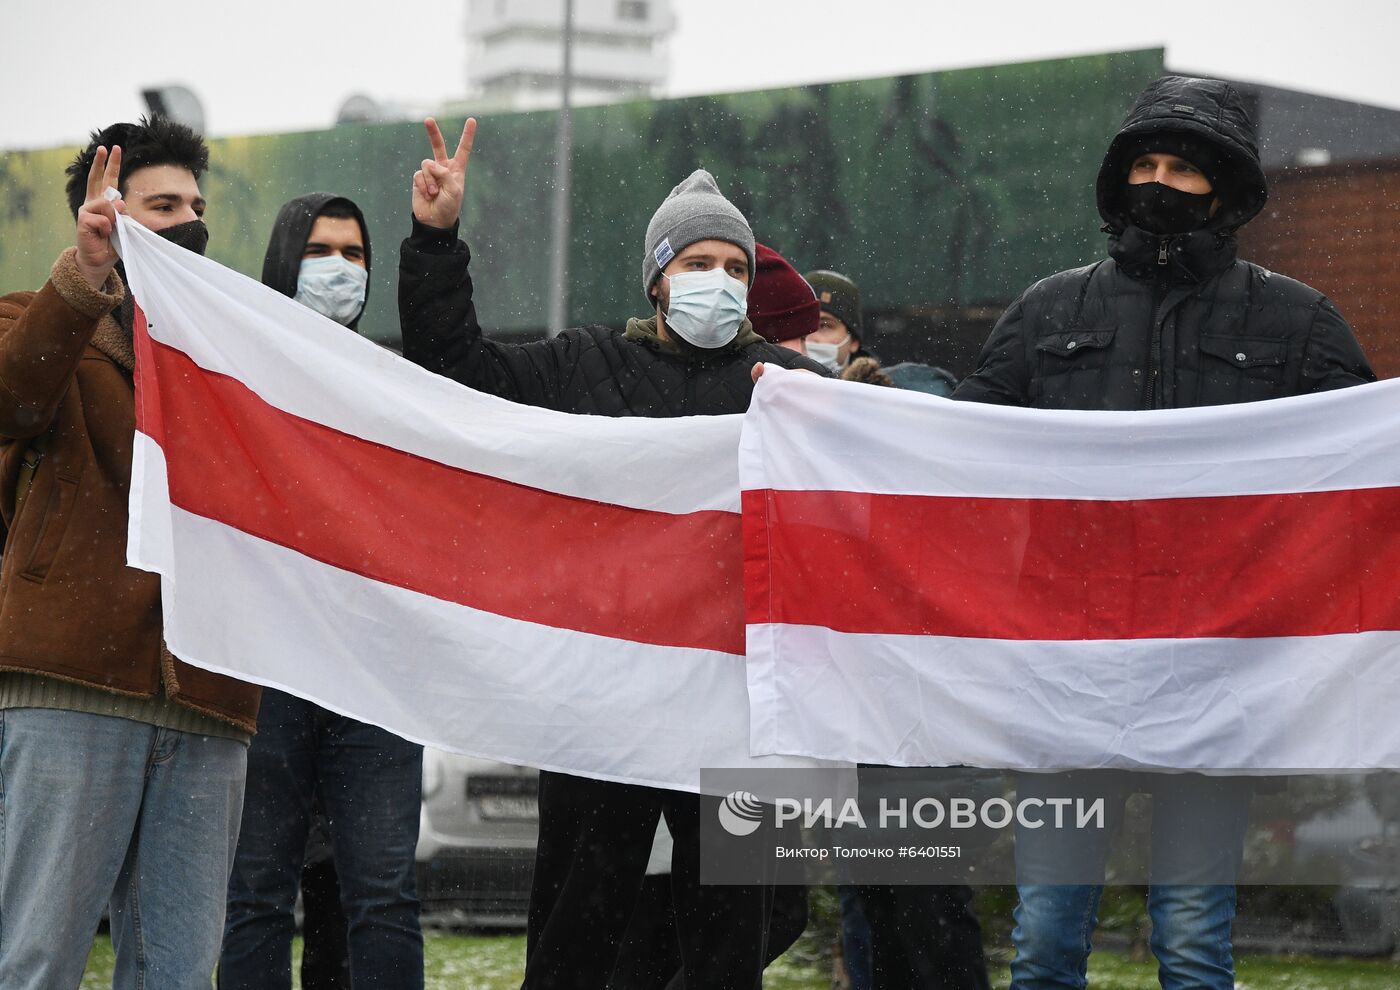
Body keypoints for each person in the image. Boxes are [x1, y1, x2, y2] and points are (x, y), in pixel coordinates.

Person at [954, 74, 1375, 990]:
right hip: (1066, 668)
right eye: (1144, 162)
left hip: (1214, 672)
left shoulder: (1299, 322)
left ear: (1224, 189)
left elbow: (1362, 480)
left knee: (1192, 946)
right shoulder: (1047, 310)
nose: (1159, 181)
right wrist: (824, 408)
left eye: (1182, 167)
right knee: (1045, 947)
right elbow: (958, 452)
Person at [398, 117, 825, 990]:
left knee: (733, 943)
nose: (720, 282)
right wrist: (437, 244)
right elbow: (459, 375)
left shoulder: (791, 388)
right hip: (605, 704)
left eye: (736, 268)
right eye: (698, 264)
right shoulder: (583, 363)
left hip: (735, 714)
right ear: (658, 278)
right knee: (573, 939)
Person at [0, 116, 260, 988]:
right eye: (162, 204)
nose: (188, 221)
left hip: (207, 701)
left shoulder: (233, 354)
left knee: (178, 974)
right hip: (72, 687)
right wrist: (85, 278)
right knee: (36, 959)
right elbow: (8, 401)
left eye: (195, 204)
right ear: (103, 214)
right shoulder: (40, 316)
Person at [220, 193, 424, 990]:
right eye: (320, 251)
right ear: (282, 262)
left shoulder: (396, 384)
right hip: (270, 669)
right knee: (258, 891)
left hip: (376, 675)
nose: (341, 269)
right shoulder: (234, 371)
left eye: (355, 254)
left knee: (383, 893)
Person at [803, 268, 872, 373]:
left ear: (853, 341)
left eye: (824, 326)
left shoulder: (885, 388)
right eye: (802, 324)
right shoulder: (771, 383)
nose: (809, 338)